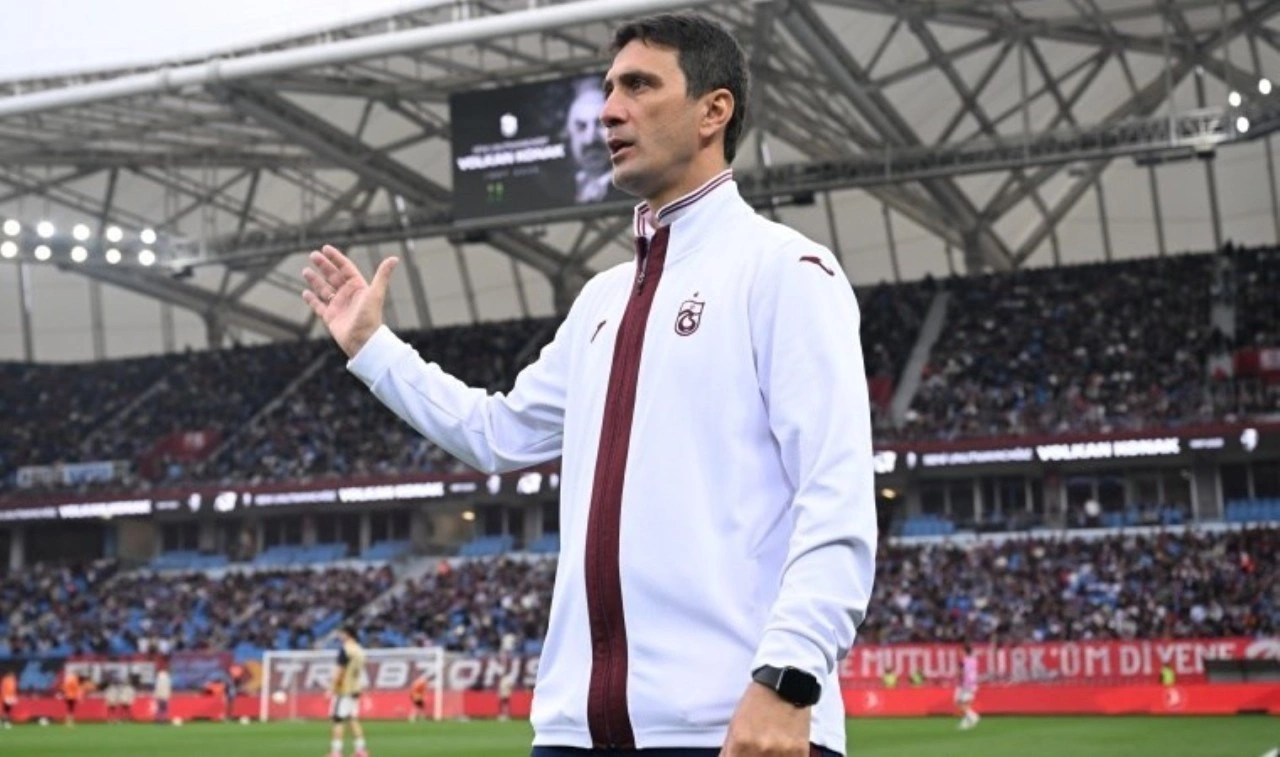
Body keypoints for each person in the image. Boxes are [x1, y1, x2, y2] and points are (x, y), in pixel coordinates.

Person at [301, 12, 875, 757]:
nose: (608, 110)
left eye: (638, 86)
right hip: (574, 733)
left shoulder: (787, 272)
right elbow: (496, 434)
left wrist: (789, 679)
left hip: (733, 726)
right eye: (608, 89)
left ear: (714, 110)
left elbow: (836, 497)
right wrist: (373, 348)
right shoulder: (601, 299)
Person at [564, 76, 614, 204]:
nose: (590, 139)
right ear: (569, 134)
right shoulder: (554, 191)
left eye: (600, 124)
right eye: (581, 126)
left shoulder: (642, 188)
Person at [329, 626, 369, 757]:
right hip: (355, 688)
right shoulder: (360, 650)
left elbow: (340, 670)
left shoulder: (346, 650)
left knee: (338, 720)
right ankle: (361, 750)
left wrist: (332, 688)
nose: (340, 637)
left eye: (342, 634)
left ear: (347, 634)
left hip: (344, 689)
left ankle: (336, 752)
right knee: (352, 719)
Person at [955, 644, 980, 730]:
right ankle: (966, 721)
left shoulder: (963, 661)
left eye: (961, 650)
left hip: (966, 684)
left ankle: (973, 717)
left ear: (964, 651)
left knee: (960, 703)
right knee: (965, 703)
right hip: (973, 683)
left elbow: (960, 672)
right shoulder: (974, 660)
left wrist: (958, 678)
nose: (959, 652)